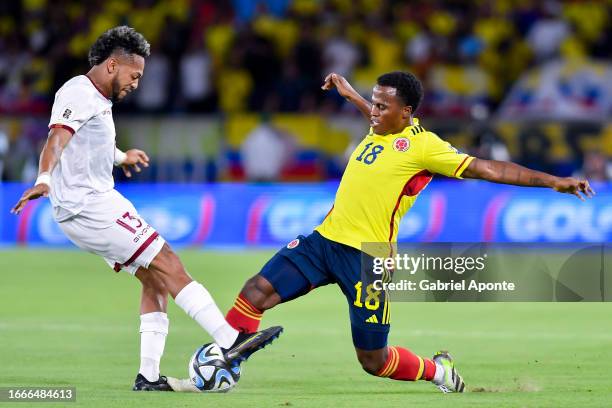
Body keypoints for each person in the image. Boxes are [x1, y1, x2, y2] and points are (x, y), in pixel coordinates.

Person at [223, 71, 595, 393]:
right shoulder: (378, 126)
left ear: (407, 113)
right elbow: (372, 114)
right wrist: (351, 94)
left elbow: (488, 169)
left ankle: (439, 371)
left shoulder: (424, 148)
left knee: (373, 360)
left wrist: (552, 182)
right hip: (323, 242)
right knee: (255, 292)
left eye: (381, 107)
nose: (373, 111)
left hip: (368, 260)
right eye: (372, 103)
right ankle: (224, 365)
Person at [10, 26, 282, 392]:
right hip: (90, 206)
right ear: (111, 66)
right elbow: (57, 139)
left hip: (93, 203)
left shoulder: (97, 99)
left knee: (154, 278)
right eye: (134, 75)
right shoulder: (78, 91)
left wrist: (122, 156)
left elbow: (88, 145)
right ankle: (230, 340)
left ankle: (149, 377)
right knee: (167, 259)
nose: (136, 83)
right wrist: (44, 177)